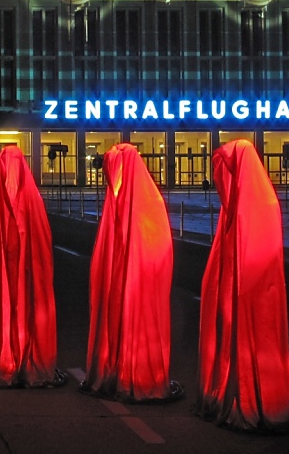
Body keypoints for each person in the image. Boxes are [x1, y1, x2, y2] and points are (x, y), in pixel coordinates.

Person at [196, 140, 289, 432]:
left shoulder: (258, 205)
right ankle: (241, 390)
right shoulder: (237, 208)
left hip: (256, 297)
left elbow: (260, 259)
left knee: (254, 345)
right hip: (238, 294)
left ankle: (256, 394)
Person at [82, 143, 181, 402]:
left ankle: (135, 370)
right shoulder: (116, 207)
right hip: (122, 283)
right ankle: (118, 366)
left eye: (117, 175)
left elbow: (155, 248)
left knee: (136, 321)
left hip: (141, 288)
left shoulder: (148, 205)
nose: (113, 183)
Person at [0, 145, 64, 387]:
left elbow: (39, 243)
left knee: (22, 306)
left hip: (23, 271)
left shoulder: (25, 202)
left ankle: (16, 354)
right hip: (7, 269)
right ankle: (9, 354)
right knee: (7, 306)